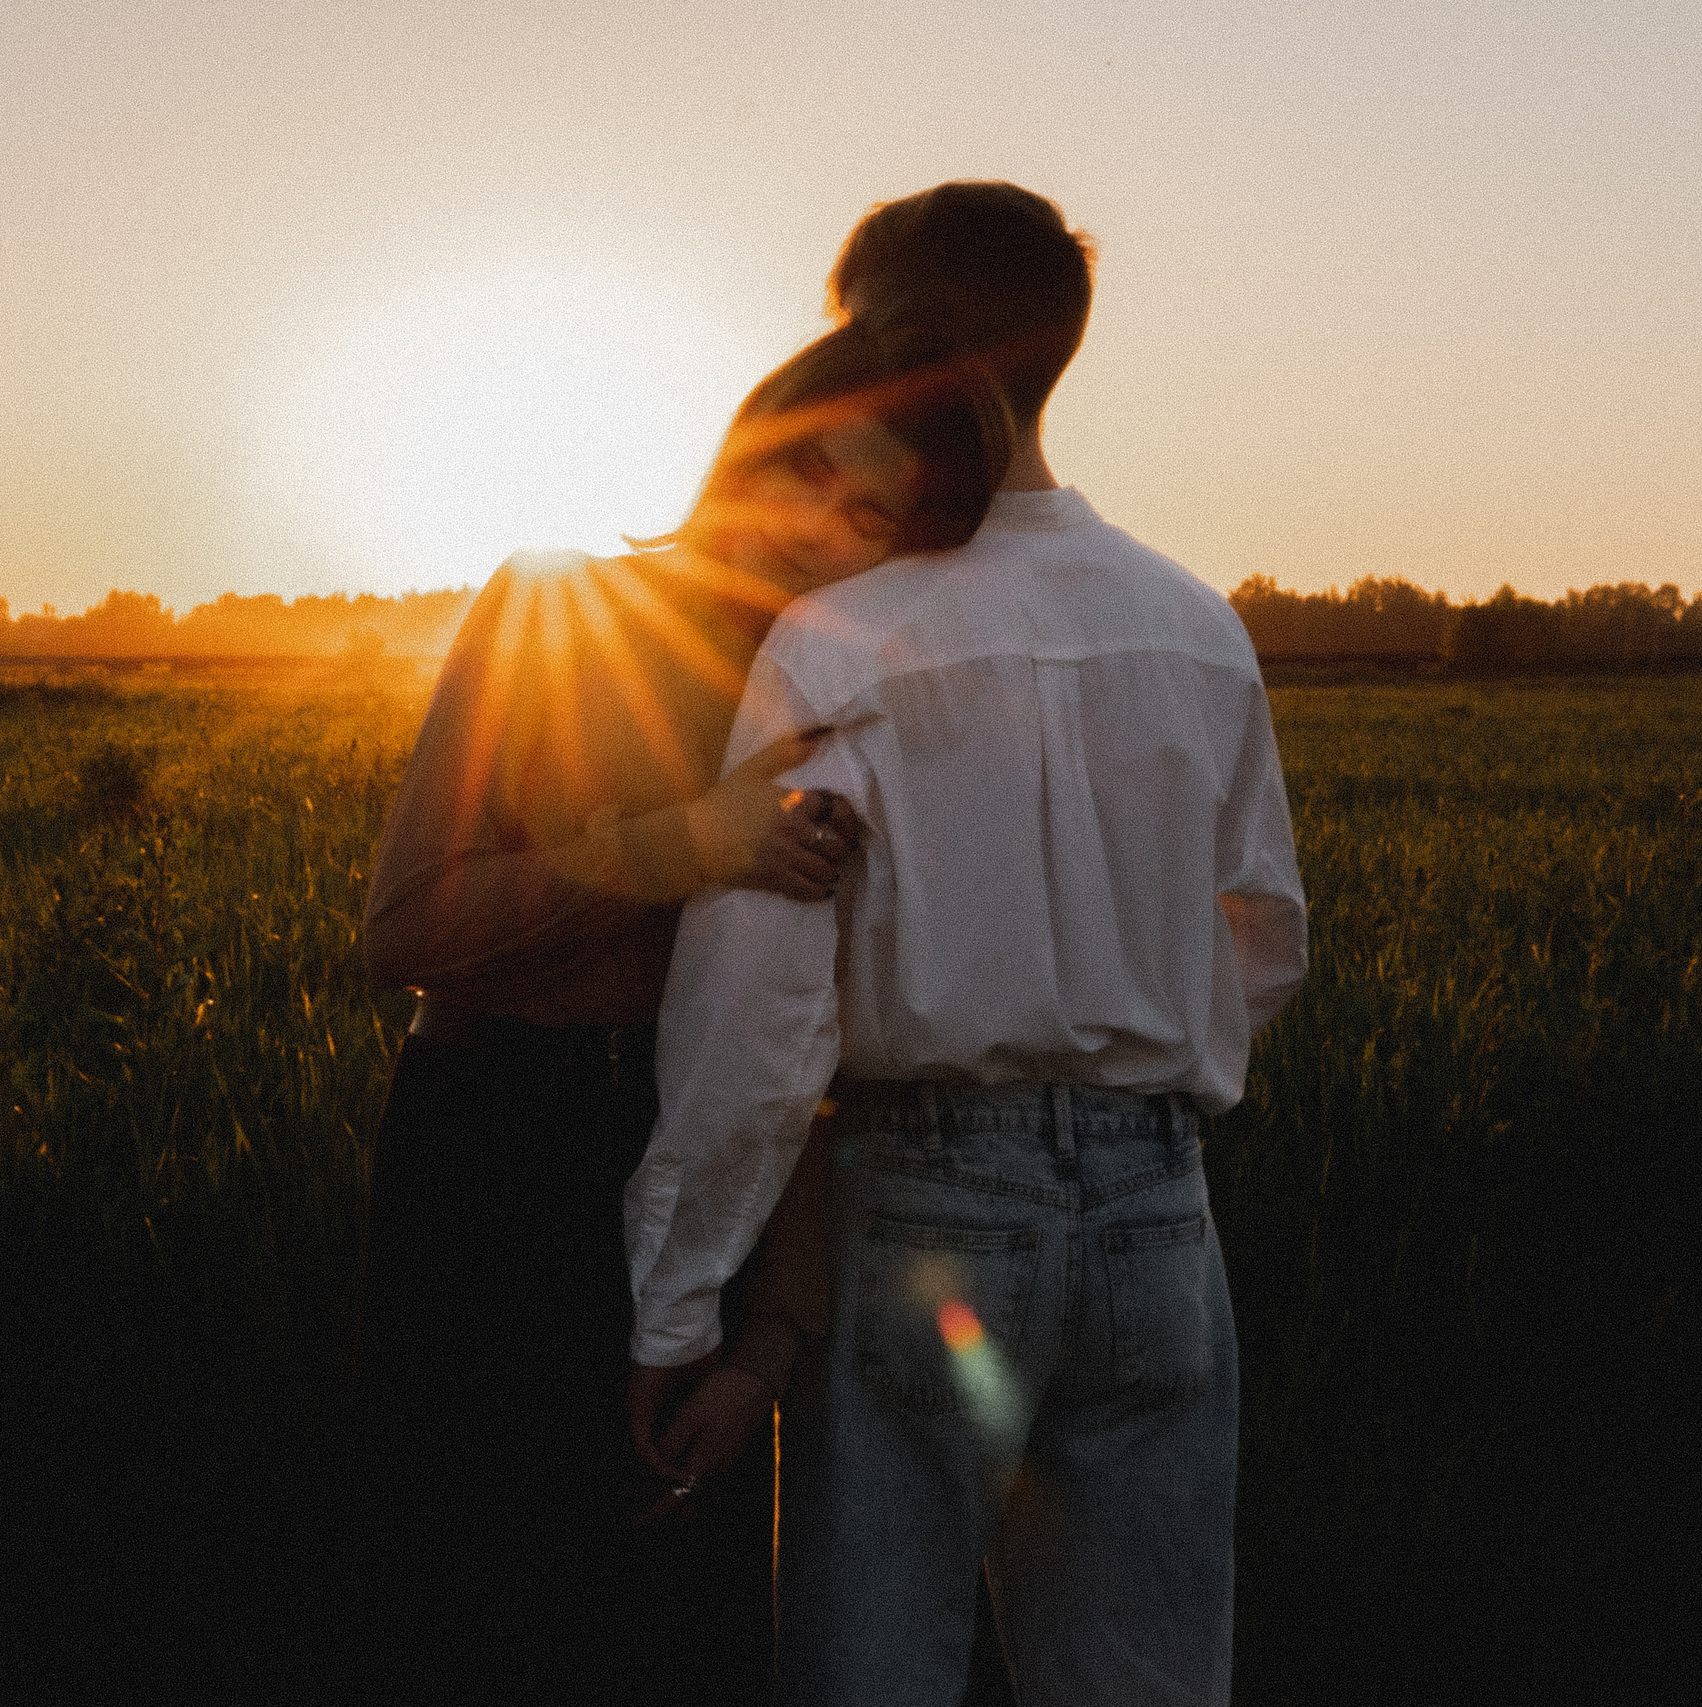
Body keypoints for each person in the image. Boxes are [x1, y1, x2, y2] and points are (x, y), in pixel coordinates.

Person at [625, 181, 1309, 1706]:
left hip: (929, 1201)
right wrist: (1127, 1091)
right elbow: (1264, 942)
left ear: (902, 343)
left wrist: (681, 1300)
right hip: (1162, 1214)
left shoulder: (845, 630)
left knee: (878, 1676)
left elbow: (757, 1012)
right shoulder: (1197, 628)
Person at [349, 316, 1014, 1705]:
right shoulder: (554, 603)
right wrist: (683, 844)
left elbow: (814, 1053)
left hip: (702, 1167)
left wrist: (770, 1342)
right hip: (488, 1151)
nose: (811, 522)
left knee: (679, 1623)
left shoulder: (851, 698)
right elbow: (405, 926)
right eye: (804, 467)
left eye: (867, 512)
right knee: (469, 1605)